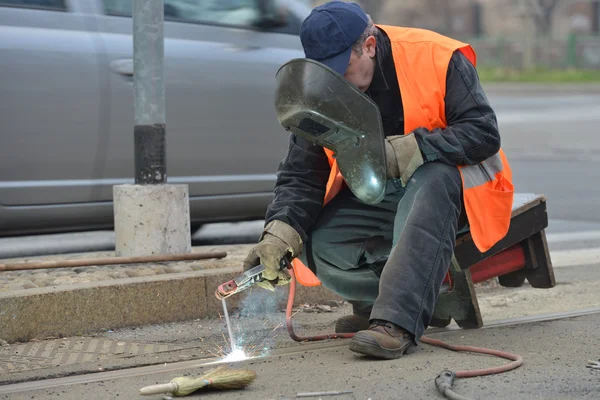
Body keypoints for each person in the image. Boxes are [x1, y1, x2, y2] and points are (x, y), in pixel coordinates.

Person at [243, 0, 514, 359]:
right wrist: (278, 234)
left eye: (343, 67)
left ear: (369, 46)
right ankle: (391, 300)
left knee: (434, 178)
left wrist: (413, 149)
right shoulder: (321, 90)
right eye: (327, 72)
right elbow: (303, 174)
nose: (337, 81)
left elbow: (483, 133)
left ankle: (395, 323)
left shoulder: (436, 56)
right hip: (384, 198)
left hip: (457, 197)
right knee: (319, 243)